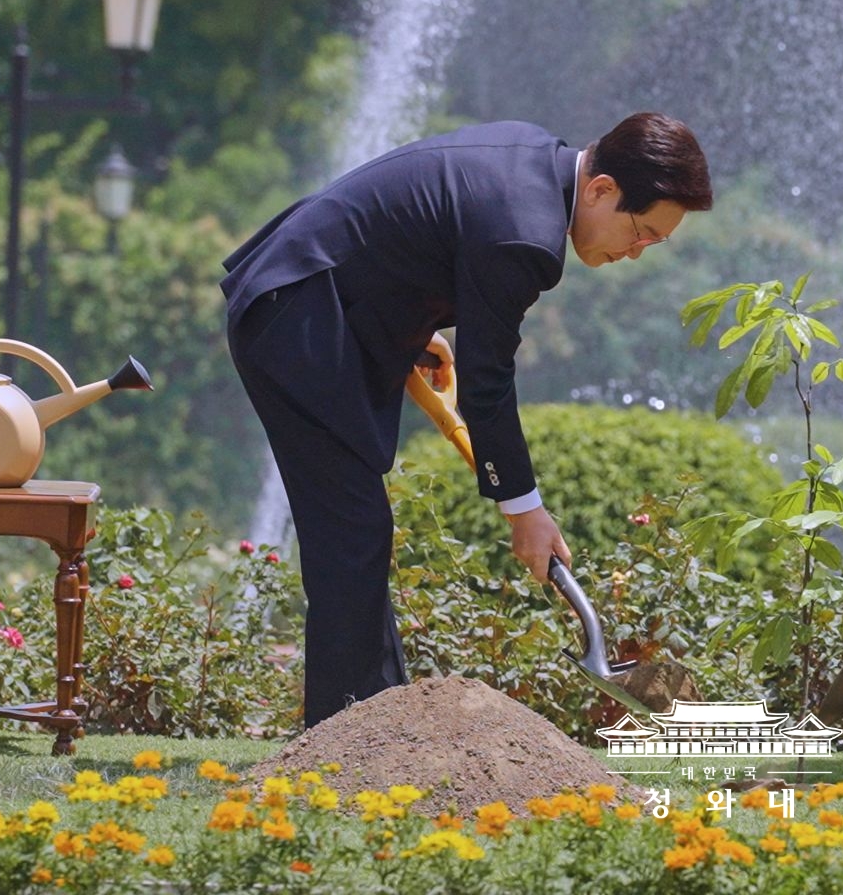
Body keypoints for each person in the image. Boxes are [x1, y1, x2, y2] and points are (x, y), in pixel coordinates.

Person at [221, 114, 712, 725]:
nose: (636, 253)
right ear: (602, 189)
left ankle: (371, 724)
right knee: (352, 532)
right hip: (297, 313)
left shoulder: (533, 161)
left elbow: (419, 236)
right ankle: (350, 736)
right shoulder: (525, 233)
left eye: (653, 243)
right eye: (640, 232)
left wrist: (413, 319)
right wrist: (524, 510)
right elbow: (487, 384)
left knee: (359, 532)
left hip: (311, 305)